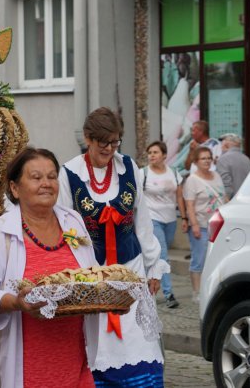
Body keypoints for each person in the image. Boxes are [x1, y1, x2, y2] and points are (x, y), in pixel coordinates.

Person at [0, 147, 98, 388]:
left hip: (74, 361)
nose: (46, 184)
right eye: (36, 177)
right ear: (15, 188)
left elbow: (91, 274)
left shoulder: (73, 222)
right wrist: (16, 302)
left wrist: (108, 296)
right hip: (24, 365)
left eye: (51, 176)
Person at [58, 107, 169, 387]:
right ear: (88, 138)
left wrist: (154, 266)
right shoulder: (69, 173)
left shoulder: (129, 167)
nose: (109, 148)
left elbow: (142, 220)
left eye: (115, 142)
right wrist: (84, 272)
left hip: (130, 271)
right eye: (102, 142)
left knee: (138, 343)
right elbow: (66, 227)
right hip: (92, 277)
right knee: (99, 347)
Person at [141, 141, 187, 309]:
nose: (152, 155)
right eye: (150, 152)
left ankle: (145, 287)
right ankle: (169, 294)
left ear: (164, 156)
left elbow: (180, 197)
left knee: (156, 256)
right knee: (163, 255)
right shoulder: (143, 174)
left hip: (170, 220)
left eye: (155, 152)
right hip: (152, 219)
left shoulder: (174, 173)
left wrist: (184, 218)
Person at [183, 147, 227, 303]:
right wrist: (193, 225)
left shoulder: (216, 176)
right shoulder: (192, 180)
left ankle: (212, 289)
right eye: (203, 158)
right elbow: (189, 205)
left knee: (216, 259)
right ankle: (196, 292)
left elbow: (224, 197)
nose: (207, 161)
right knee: (199, 260)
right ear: (196, 162)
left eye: (209, 158)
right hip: (201, 225)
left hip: (218, 225)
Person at [216, 133, 250, 198]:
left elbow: (226, 186)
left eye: (222, 145)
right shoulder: (246, 159)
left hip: (232, 201)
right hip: (246, 199)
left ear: (226, 146)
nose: (221, 147)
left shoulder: (223, 159)